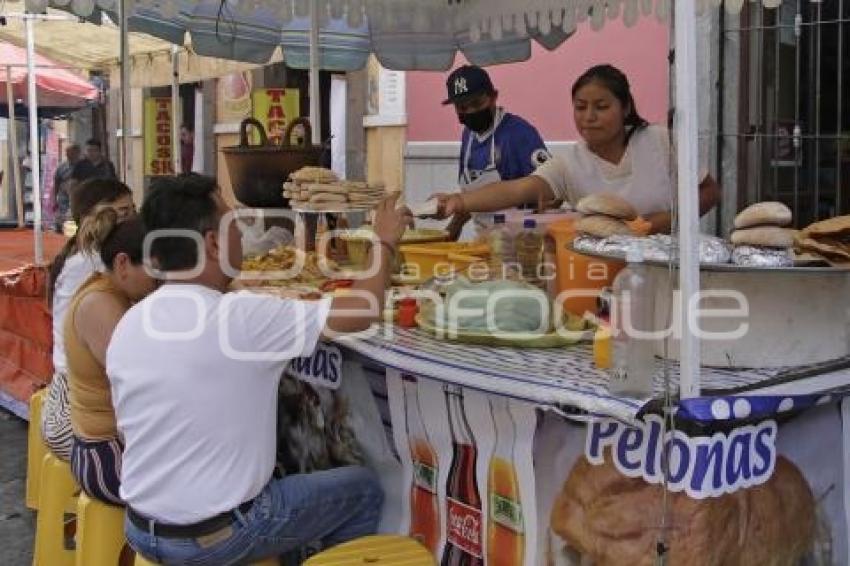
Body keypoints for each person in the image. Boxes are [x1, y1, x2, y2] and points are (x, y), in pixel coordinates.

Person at [109, 175, 412, 565]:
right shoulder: (241, 316)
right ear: (213, 243)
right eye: (236, 224)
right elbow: (364, 309)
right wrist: (384, 241)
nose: (244, 236)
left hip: (140, 528)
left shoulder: (132, 321)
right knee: (362, 489)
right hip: (216, 537)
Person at [434, 64, 722, 235]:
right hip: (594, 275)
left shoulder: (661, 141)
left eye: (601, 107)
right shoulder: (570, 163)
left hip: (665, 273)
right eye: (580, 107)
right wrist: (459, 202)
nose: (588, 117)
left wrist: (655, 224)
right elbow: (518, 189)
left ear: (626, 107)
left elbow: (710, 192)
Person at [41, 179, 136, 462]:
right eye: (123, 212)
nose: (133, 220)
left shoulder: (89, 259)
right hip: (73, 416)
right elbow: (125, 365)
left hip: (74, 401)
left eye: (133, 209)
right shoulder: (91, 268)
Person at [66, 209, 156, 505]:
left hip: (113, 446)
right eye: (155, 271)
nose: (161, 281)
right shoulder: (100, 305)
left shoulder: (116, 295)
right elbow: (142, 381)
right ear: (123, 264)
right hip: (106, 457)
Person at [442, 64, 551, 240]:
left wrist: (535, 242)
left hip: (522, 243)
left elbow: (550, 192)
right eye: (462, 108)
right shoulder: (468, 137)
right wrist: (452, 229)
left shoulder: (519, 134)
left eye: (477, 103)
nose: (470, 112)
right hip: (485, 242)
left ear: (494, 97)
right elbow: (471, 197)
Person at [52, 144, 81, 233]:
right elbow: (56, 182)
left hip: (78, 195)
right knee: (62, 216)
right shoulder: (62, 167)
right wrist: (54, 198)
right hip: (63, 197)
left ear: (77, 153)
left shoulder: (84, 166)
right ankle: (60, 229)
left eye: (71, 153)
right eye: (67, 153)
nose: (68, 155)